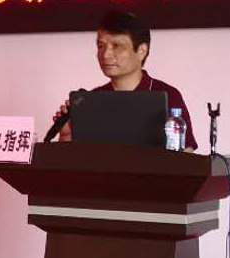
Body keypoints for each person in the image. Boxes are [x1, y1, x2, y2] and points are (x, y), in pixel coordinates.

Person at [54, 10, 198, 152]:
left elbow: (186, 156)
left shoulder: (168, 95)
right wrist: (67, 135)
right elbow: (76, 161)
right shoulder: (91, 99)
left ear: (142, 51)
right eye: (101, 46)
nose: (106, 54)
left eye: (116, 46)